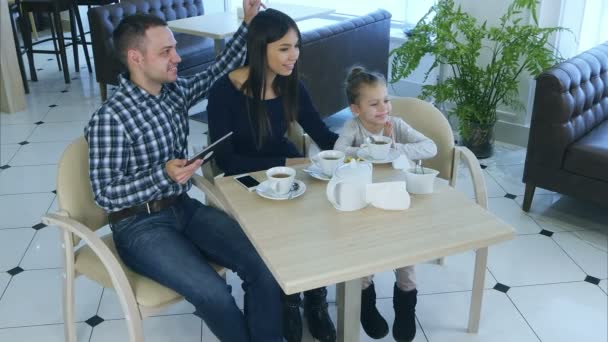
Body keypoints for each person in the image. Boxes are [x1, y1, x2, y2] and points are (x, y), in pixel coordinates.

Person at [84, 2, 284, 341]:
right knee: (213, 294)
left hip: (183, 207)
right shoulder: (110, 119)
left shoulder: (172, 92)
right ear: (136, 58)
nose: (177, 57)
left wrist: (249, 24)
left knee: (265, 265)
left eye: (174, 47)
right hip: (139, 226)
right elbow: (105, 194)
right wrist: (162, 176)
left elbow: (217, 72)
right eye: (166, 51)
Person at [207, 9, 338, 342]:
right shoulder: (224, 91)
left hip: (285, 172)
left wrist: (359, 141)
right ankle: (288, 300)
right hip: (243, 178)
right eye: (283, 48)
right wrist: (284, 162)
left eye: (296, 46)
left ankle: (315, 299)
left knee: (318, 223)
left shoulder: (293, 84)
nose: (293, 55)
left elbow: (323, 136)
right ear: (260, 48)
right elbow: (225, 158)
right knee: (278, 234)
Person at [334, 66, 437, 342]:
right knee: (365, 256)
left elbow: (430, 147)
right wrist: (366, 151)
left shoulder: (397, 125)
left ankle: (405, 309)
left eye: (386, 100)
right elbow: (338, 151)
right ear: (356, 109)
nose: (384, 108)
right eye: (374, 103)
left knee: (406, 257)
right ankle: (366, 306)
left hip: (397, 200)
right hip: (364, 203)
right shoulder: (352, 127)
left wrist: (395, 148)